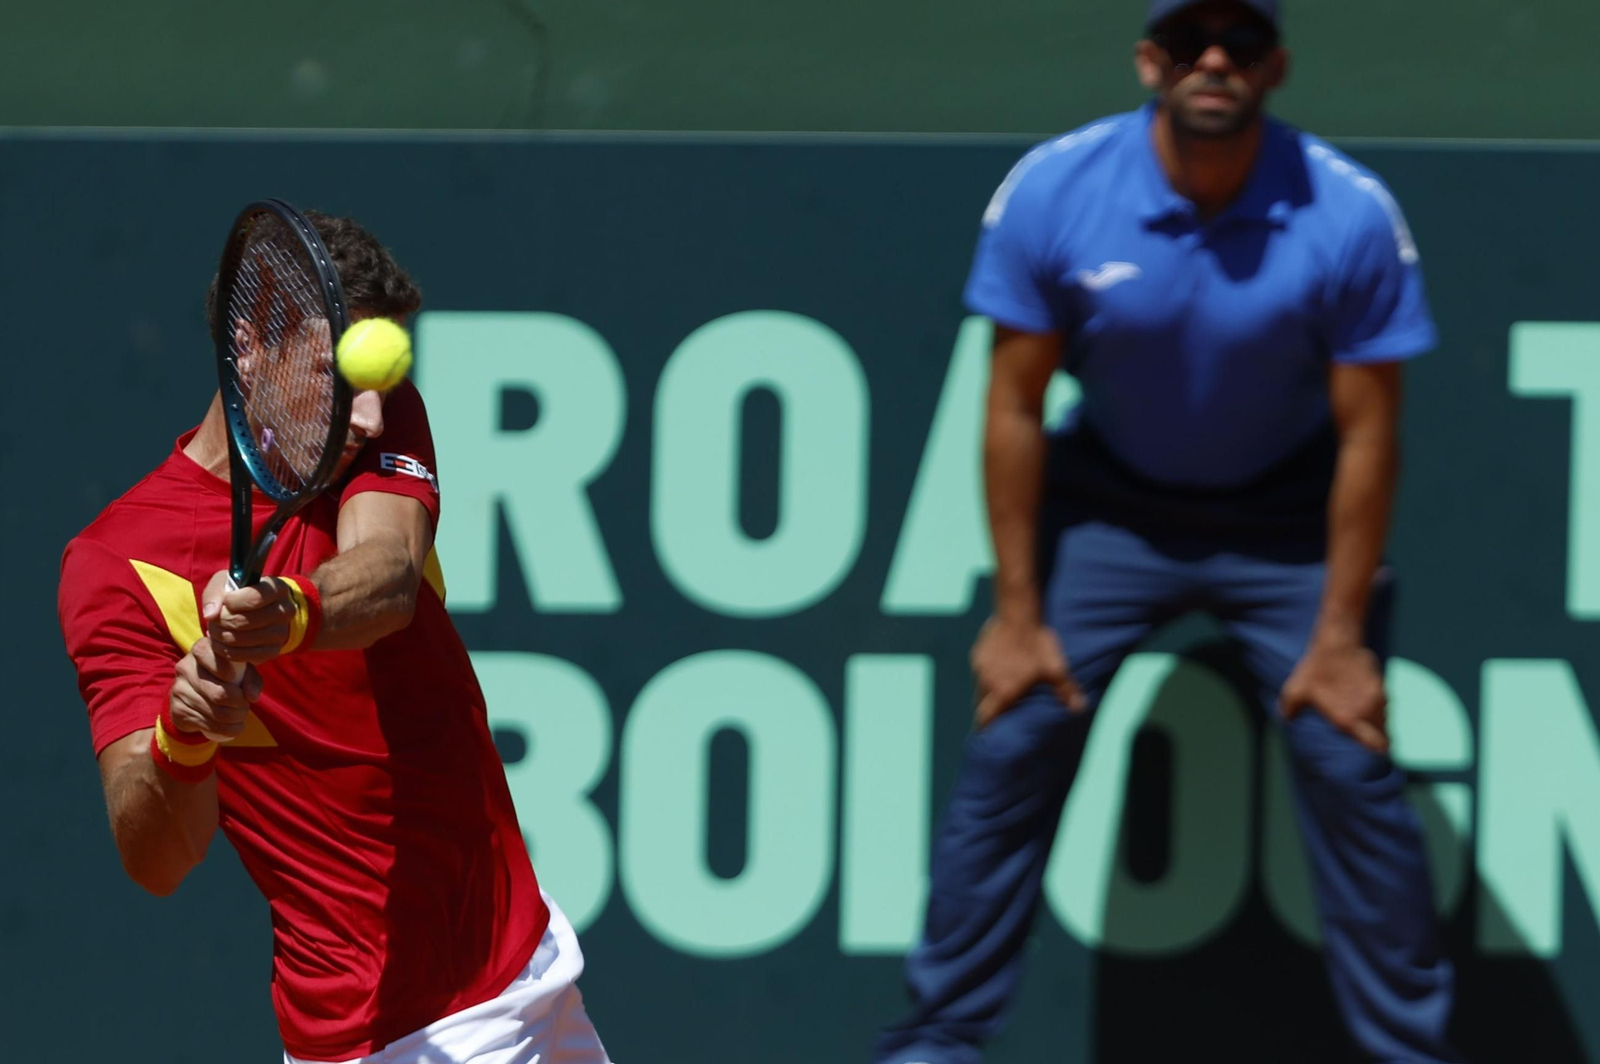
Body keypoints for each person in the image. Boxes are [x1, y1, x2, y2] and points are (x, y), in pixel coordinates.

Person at [873, 2, 1461, 1061]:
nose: (1214, 62)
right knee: (1014, 734)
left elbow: (1370, 436)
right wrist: (1015, 612)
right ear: (1151, 61)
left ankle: (1410, 1052)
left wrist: (1337, 638)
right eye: (1190, 42)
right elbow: (1010, 406)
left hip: (1286, 518)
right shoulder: (1057, 189)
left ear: (1274, 67)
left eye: (1239, 44)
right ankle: (935, 1045)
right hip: (1109, 508)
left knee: (1347, 755)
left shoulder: (1349, 212)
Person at [57, 212, 613, 1064]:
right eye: (333, 373)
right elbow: (157, 858)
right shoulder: (115, 565)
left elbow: (387, 578)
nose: (364, 413)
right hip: (386, 1038)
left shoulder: (380, 420)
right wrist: (187, 730)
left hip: (528, 968)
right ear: (248, 347)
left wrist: (289, 612)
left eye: (375, 376)